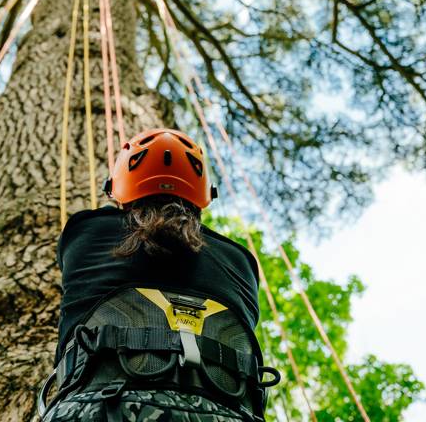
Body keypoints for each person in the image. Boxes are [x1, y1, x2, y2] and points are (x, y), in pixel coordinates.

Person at [39, 128, 280, 422]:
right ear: (205, 197)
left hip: (101, 408)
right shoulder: (240, 262)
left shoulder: (87, 232)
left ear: (118, 188)